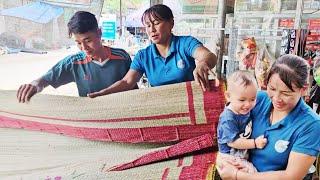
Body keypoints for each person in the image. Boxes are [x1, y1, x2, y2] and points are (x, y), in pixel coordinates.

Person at [217, 54, 320, 180]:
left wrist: (237, 175)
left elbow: (291, 176)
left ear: (303, 89)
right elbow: (228, 123)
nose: (276, 98)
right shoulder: (257, 100)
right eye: (272, 88)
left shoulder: (311, 125)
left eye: (286, 93)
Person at [87, 4, 217, 98]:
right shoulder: (143, 56)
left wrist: (202, 64)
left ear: (171, 23)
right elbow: (127, 82)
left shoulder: (185, 43)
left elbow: (208, 56)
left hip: (190, 103)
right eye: (148, 25)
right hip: (158, 106)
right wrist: (105, 92)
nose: (152, 29)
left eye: (156, 23)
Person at [17, 11, 133, 102]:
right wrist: (33, 85)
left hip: (123, 118)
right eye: (78, 42)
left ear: (99, 33)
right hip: (94, 121)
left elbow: (131, 85)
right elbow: (44, 80)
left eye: (88, 40)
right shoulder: (73, 63)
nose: (84, 47)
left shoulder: (122, 57)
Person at [217, 70, 267, 174]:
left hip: (240, 154)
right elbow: (233, 142)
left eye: (252, 99)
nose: (248, 104)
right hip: (229, 157)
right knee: (252, 174)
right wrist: (255, 143)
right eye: (242, 100)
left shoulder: (244, 110)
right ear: (228, 96)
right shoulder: (228, 118)